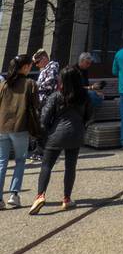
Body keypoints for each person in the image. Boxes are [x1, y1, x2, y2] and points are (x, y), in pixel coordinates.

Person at [29, 67, 94, 214]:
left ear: (62, 80)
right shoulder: (85, 96)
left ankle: (40, 196)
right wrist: (82, 126)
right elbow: (90, 116)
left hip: (56, 135)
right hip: (76, 134)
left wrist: (45, 135)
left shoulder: (56, 96)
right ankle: (66, 199)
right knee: (70, 167)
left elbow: (44, 119)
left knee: (46, 166)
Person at [0, 56, 40, 209]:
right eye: (29, 65)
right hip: (20, 127)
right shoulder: (30, 84)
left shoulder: (3, 84)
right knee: (20, 160)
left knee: (2, 162)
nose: (31, 67)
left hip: (2, 127)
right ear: (24, 67)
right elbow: (37, 104)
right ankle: (14, 194)